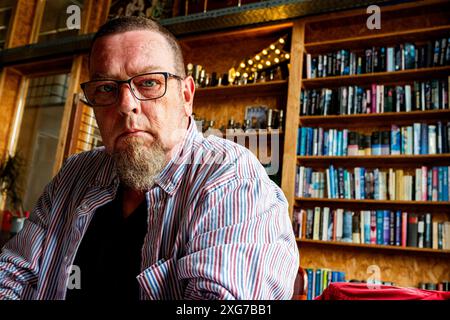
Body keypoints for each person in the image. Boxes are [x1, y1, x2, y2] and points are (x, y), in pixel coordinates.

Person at [0, 16, 299, 300]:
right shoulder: (75, 173)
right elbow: (13, 277)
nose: (126, 105)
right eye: (106, 88)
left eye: (149, 83)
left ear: (186, 96)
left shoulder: (229, 177)